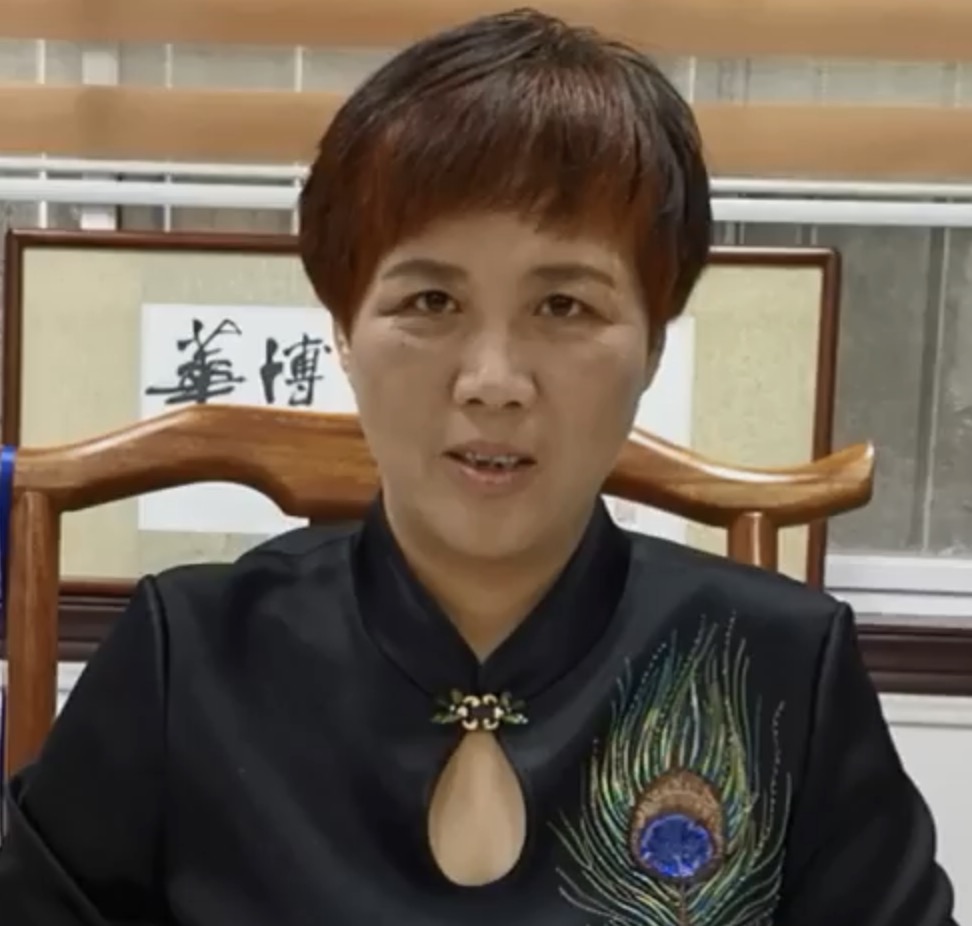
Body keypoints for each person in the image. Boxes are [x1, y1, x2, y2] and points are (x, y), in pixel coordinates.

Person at [0, 8, 957, 926]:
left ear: (654, 344)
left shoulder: (783, 673)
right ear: (343, 333)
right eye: (430, 302)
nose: (493, 381)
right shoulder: (189, 662)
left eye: (565, 306)